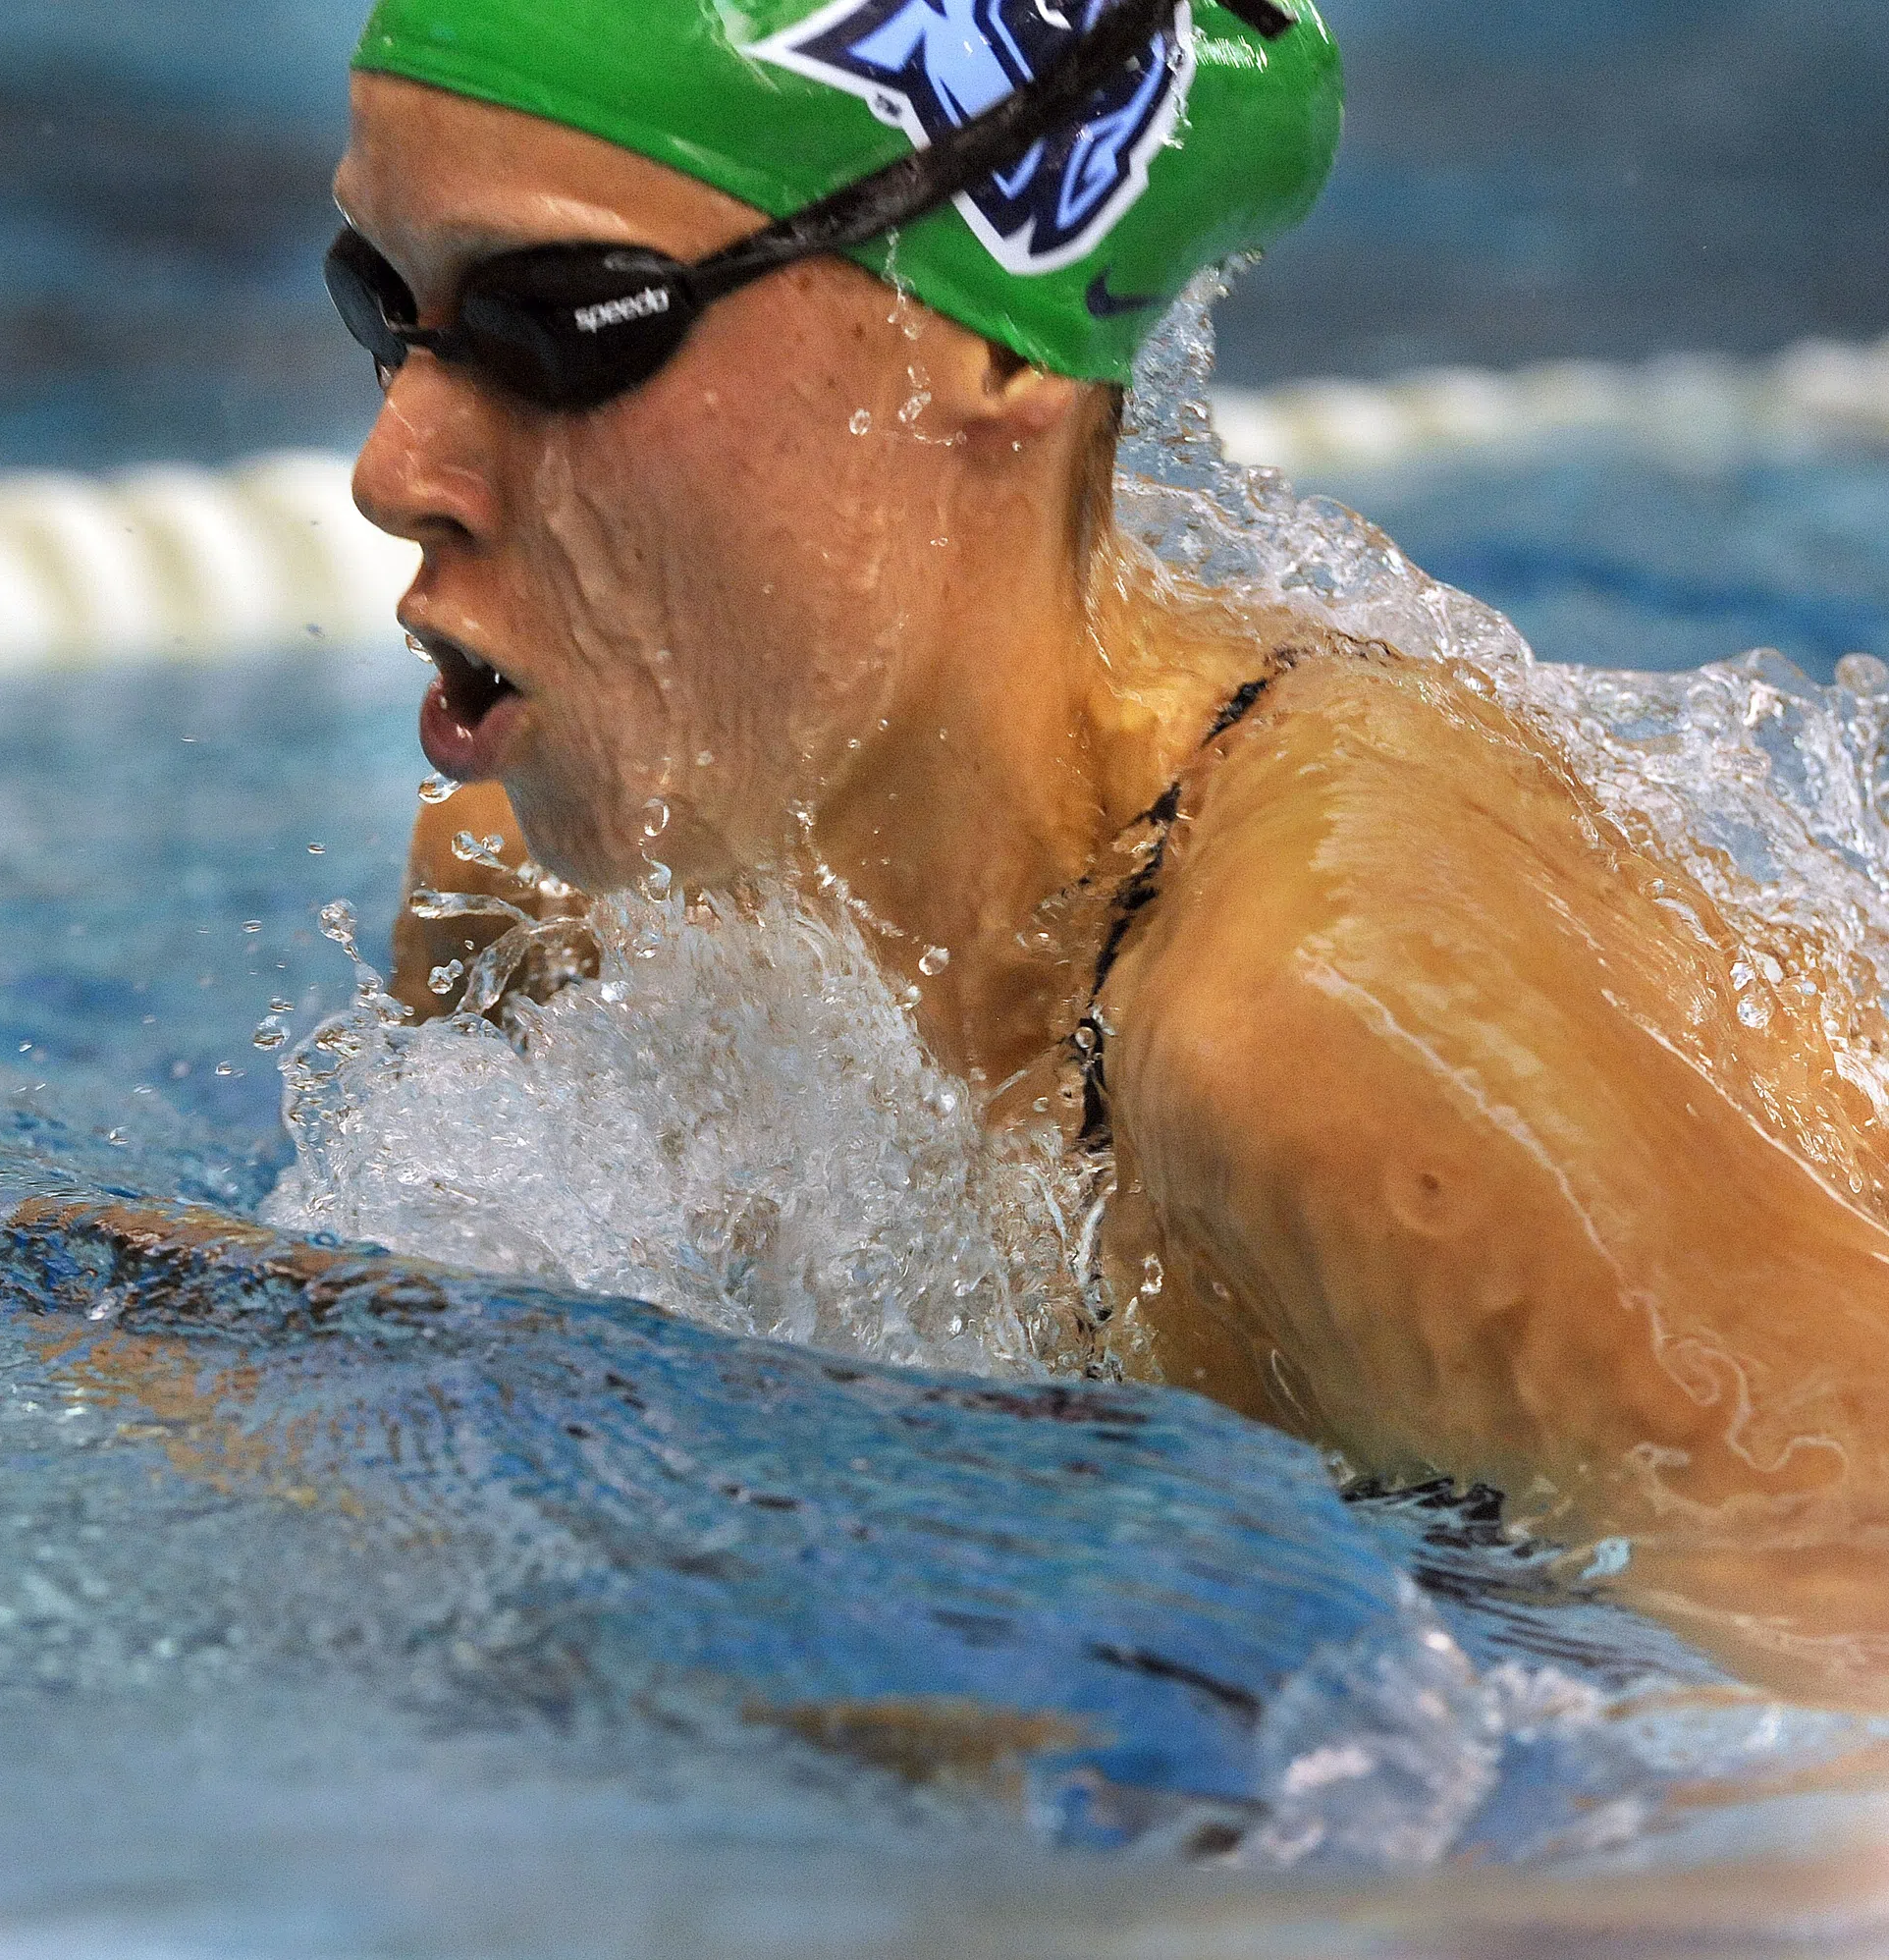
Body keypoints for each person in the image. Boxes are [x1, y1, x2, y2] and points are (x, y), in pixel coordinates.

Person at [328, 0, 1889, 1706]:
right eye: (383, 310)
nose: (392, 469)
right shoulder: (540, 902)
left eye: (563, 325)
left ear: (997, 345)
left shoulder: (1322, 1040)